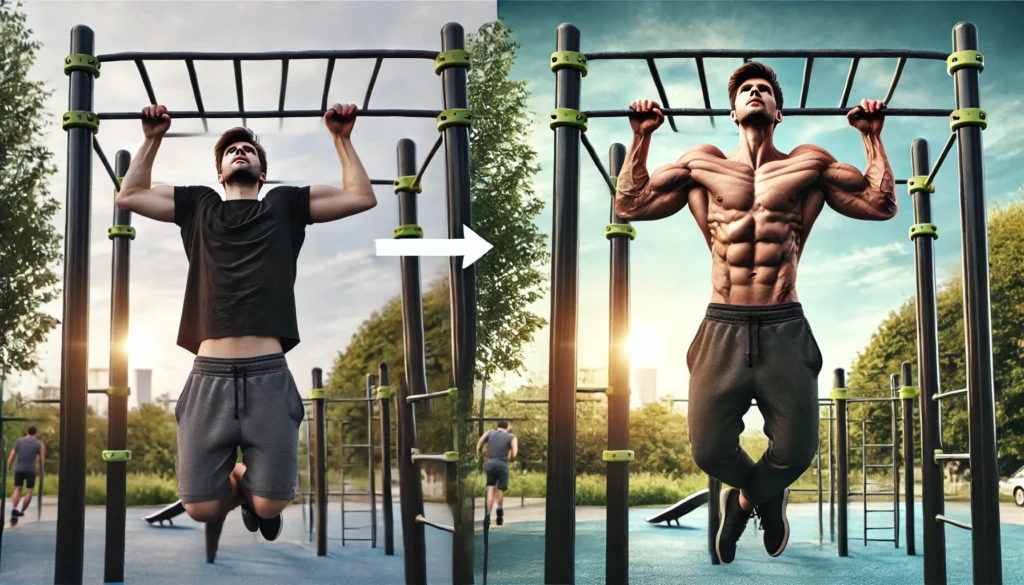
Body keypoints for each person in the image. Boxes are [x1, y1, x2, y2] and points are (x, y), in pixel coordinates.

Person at [617, 62, 895, 564]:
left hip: (784, 323)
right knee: (707, 450)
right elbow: (630, 206)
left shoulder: (808, 163)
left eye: (763, 89)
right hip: (721, 324)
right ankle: (762, 495)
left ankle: (744, 501)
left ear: (778, 110)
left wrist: (872, 138)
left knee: (797, 450)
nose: (754, 93)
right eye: (745, 89)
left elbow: (880, 204)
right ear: (732, 109)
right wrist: (640, 138)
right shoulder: (702, 163)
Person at [115, 102, 377, 560]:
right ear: (220, 172)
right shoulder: (199, 205)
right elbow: (129, 196)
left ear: (261, 172)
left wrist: (341, 137)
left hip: (268, 374)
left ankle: (258, 495)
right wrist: (152, 138)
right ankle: (240, 477)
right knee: (199, 508)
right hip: (209, 376)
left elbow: (361, 196)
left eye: (249, 149)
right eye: (231, 150)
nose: (240, 151)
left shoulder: (285, 205)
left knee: (271, 503)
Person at [475, 421, 518, 527]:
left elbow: (479, 444)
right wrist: (510, 455)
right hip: (502, 464)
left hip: (490, 463)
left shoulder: (490, 433)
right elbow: (514, 453)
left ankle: (488, 515)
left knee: (490, 490)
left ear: (498, 426)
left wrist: (480, 455)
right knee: (500, 490)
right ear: (507, 427)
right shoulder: (511, 436)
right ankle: (499, 513)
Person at [6, 426, 45, 525]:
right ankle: (21, 511)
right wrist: (41, 470)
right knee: (29, 491)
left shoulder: (18, 441)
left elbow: (12, 455)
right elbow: (42, 459)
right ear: (36, 433)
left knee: (17, 489)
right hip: (30, 470)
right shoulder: (39, 444)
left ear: (27, 432)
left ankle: (15, 509)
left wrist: (9, 466)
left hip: (19, 469)